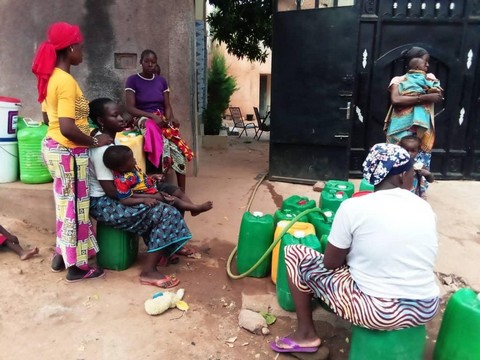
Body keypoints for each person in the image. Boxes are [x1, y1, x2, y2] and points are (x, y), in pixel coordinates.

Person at [270, 143, 439, 354]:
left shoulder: (353, 207)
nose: (413, 178)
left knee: (295, 253)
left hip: (379, 312)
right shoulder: (424, 207)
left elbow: (330, 263)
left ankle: (306, 335)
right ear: (400, 176)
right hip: (426, 306)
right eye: (411, 174)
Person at [32, 22, 114, 282]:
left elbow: (48, 119)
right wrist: (94, 142)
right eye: (80, 47)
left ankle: (61, 254)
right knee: (76, 208)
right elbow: (67, 127)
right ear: (69, 48)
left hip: (54, 147)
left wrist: (85, 136)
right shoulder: (65, 82)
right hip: (68, 151)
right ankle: (77, 267)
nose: (83, 52)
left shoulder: (50, 77)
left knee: (64, 206)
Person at [88, 98, 192, 288]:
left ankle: (166, 249)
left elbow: (128, 175)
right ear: (101, 120)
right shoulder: (102, 149)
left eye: (120, 114)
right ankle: (149, 271)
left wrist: (151, 181)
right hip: (105, 203)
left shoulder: (114, 139)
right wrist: (152, 197)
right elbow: (112, 192)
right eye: (114, 115)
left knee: (174, 193)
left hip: (125, 191)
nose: (121, 118)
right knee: (165, 210)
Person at [125, 49, 193, 193]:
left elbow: (167, 106)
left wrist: (170, 118)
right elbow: (130, 108)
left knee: (178, 149)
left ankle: (182, 192)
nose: (150, 65)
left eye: (153, 62)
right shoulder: (133, 80)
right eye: (146, 62)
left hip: (160, 117)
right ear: (141, 62)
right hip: (141, 117)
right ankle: (157, 169)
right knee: (150, 127)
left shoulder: (161, 81)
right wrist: (151, 116)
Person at [384, 46, 443, 178]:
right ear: (415, 62)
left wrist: (413, 98)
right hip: (400, 129)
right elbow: (396, 100)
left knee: (421, 164)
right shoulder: (398, 80)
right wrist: (425, 97)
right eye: (425, 61)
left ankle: (418, 193)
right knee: (397, 162)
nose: (428, 64)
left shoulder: (429, 78)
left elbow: (438, 95)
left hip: (422, 129)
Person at [102, 145, 213, 215]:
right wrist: (144, 200)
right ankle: (196, 207)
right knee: (173, 199)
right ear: (122, 167)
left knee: (178, 191)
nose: (135, 160)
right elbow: (125, 200)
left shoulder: (130, 167)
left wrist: (152, 177)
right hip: (147, 193)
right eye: (131, 160)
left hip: (152, 186)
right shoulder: (122, 180)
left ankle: (193, 209)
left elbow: (141, 178)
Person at [399, 135, 434, 199]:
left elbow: (431, 180)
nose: (409, 153)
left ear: (418, 151)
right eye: (406, 150)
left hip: (415, 197)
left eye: (413, 151)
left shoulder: (419, 165)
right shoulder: (396, 165)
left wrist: (427, 174)